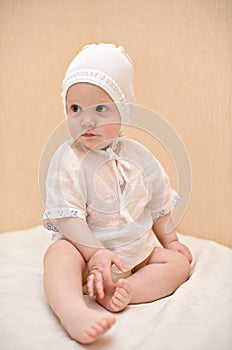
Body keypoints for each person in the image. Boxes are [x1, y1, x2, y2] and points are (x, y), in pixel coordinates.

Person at [42, 43, 192, 345]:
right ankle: (73, 311)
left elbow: (158, 204)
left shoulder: (139, 156)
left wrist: (171, 241)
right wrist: (95, 253)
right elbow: (68, 218)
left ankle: (129, 291)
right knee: (57, 255)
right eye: (75, 109)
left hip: (135, 258)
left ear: (124, 110)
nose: (86, 120)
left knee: (178, 265)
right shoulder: (68, 158)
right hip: (85, 258)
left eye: (100, 109)